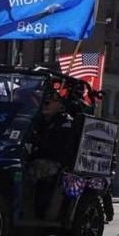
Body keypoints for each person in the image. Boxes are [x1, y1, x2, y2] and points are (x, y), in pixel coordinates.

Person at [24, 88, 79, 218]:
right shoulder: (39, 121)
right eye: (44, 101)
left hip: (55, 163)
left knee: (27, 172)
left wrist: (36, 144)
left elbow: (58, 147)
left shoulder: (65, 123)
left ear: (60, 105)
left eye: (50, 102)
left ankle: (28, 213)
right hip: (38, 158)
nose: (45, 104)